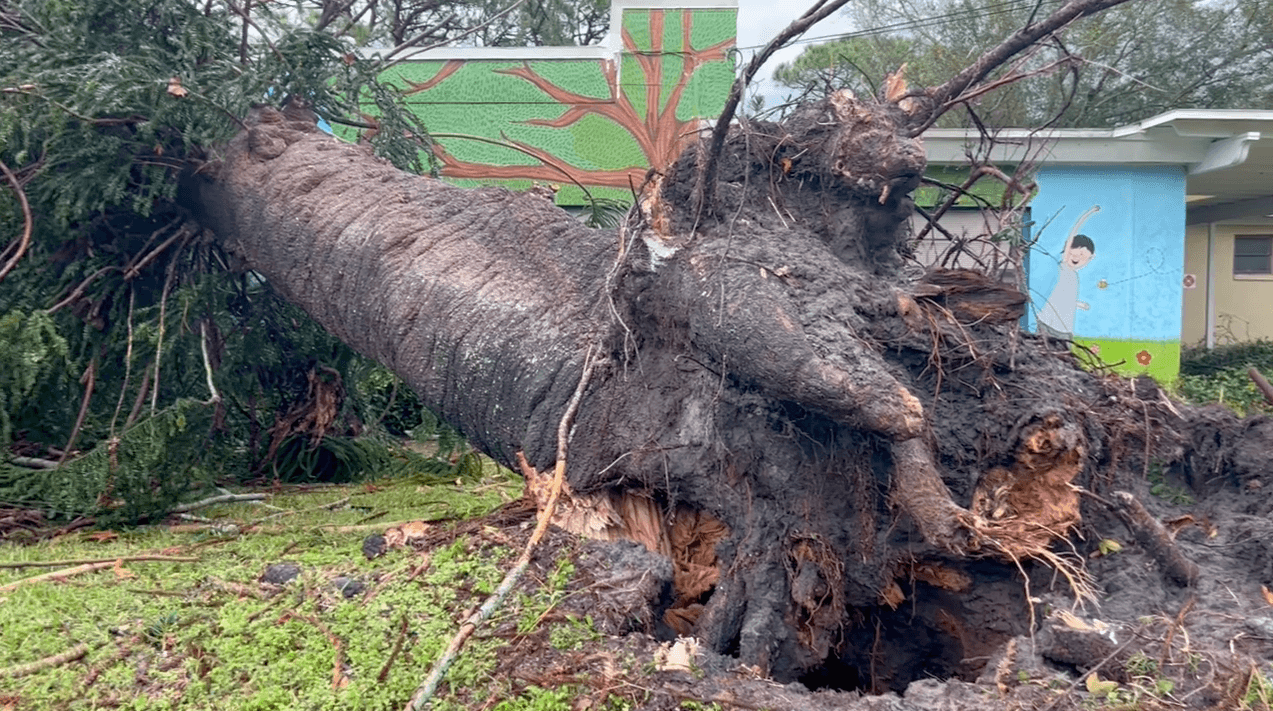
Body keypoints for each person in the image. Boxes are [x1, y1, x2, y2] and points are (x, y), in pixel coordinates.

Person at [1037, 206, 1098, 340]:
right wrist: (1088, 214)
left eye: (1082, 256)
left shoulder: (1074, 277)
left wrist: (1079, 305)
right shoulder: (1063, 266)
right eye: (1073, 253)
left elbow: (1066, 298)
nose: (1076, 258)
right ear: (1066, 249)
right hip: (1047, 322)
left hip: (1065, 328)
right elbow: (1072, 235)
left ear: (1090, 258)